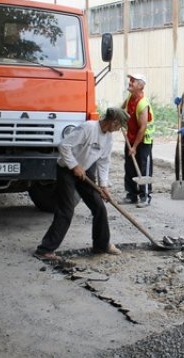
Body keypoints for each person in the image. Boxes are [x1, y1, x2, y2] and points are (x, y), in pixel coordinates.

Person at [33, 107, 129, 262]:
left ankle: (101, 244)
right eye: (119, 126)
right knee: (66, 211)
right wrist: (74, 165)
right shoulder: (88, 128)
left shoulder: (108, 138)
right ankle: (44, 249)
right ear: (114, 121)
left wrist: (104, 186)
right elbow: (64, 146)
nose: (118, 130)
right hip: (66, 170)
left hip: (85, 172)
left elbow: (104, 162)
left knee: (99, 207)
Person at [121, 74, 154, 208]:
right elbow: (122, 108)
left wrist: (134, 147)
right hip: (131, 137)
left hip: (143, 140)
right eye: (130, 80)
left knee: (143, 168)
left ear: (140, 86)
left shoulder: (143, 103)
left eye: (133, 81)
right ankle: (131, 195)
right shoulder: (130, 97)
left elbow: (143, 128)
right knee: (129, 167)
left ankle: (144, 196)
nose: (130, 82)